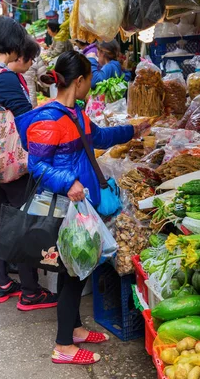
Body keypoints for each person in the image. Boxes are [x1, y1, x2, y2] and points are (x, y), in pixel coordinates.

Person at [16, 50, 148, 365]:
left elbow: (98, 137)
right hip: (66, 207)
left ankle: (73, 329)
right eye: (89, 79)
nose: (91, 84)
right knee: (74, 272)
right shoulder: (49, 118)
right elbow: (35, 165)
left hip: (81, 204)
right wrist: (67, 182)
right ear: (79, 80)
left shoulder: (75, 112)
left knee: (75, 269)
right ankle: (64, 346)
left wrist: (133, 129)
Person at [0, 16, 57, 310]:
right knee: (25, 220)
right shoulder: (6, 77)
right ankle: (31, 290)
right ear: (13, 44)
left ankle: (0, 283)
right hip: (10, 162)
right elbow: (28, 119)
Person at [8, 36, 45, 108]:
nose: (31, 63)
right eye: (32, 59)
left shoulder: (14, 73)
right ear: (20, 58)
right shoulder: (6, 77)